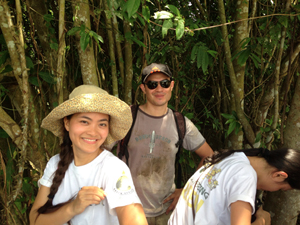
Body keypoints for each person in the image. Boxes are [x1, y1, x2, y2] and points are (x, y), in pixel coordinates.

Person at [29, 85, 148, 225]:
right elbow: (35, 220)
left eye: (102, 124)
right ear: (67, 124)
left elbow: (133, 217)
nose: (93, 132)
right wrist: (73, 207)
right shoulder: (55, 163)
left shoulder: (113, 168)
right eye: (84, 122)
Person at [117, 63, 214, 224]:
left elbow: (210, 157)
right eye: (152, 84)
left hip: (166, 212)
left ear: (172, 86)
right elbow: (100, 152)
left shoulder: (180, 123)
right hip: (129, 208)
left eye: (164, 83)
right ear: (143, 88)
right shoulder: (127, 117)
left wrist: (187, 190)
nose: (159, 89)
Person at [168, 148, 300, 225]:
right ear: (279, 175)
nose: (273, 191)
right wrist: (261, 221)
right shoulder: (246, 176)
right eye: (281, 188)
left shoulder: (231, 156)